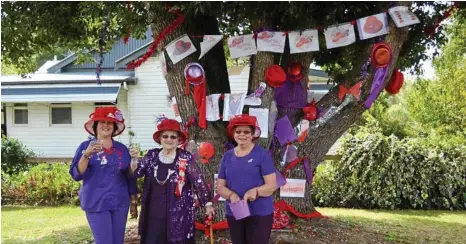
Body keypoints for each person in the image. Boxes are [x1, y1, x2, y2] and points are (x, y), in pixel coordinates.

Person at [130, 118, 214, 244]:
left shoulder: (184, 157)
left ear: (179, 140)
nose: (169, 139)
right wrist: (134, 160)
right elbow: (137, 173)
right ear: (160, 138)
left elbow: (198, 181)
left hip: (178, 212)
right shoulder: (152, 155)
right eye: (165, 136)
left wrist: (207, 203)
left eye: (173, 137)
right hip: (154, 211)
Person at [69, 106, 138, 244]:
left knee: (118, 241)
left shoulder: (122, 148)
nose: (106, 125)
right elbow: (77, 174)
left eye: (109, 123)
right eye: (102, 122)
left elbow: (129, 176)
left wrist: (134, 164)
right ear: (95, 126)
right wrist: (87, 155)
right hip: (96, 202)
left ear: (114, 127)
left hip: (119, 202)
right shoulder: (85, 146)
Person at [216, 114, 277, 244]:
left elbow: (271, 185)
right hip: (235, 212)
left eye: (246, 132)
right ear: (233, 133)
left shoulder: (262, 155)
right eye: (238, 131)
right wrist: (231, 195)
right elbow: (220, 186)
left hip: (259, 212)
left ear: (252, 134)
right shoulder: (226, 157)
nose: (242, 135)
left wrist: (255, 191)